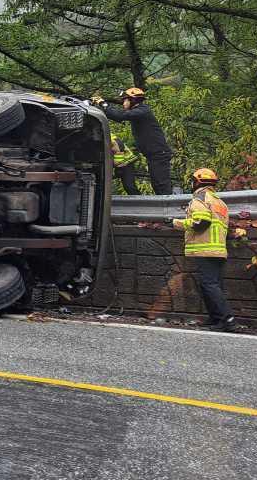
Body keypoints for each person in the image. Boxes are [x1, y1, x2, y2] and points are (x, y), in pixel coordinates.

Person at [172, 167, 236, 332]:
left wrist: (177, 223)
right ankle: (215, 318)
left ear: (197, 182)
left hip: (206, 248)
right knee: (211, 284)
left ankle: (227, 319)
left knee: (209, 284)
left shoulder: (199, 199)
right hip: (218, 248)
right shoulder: (219, 202)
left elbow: (201, 223)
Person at [95, 87, 174, 194]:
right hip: (153, 154)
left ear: (132, 101)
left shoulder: (142, 111)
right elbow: (119, 107)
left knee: (161, 184)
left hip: (159, 154)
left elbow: (119, 116)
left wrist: (103, 103)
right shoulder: (139, 110)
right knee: (157, 183)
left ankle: (168, 207)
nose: (123, 103)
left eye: (125, 100)